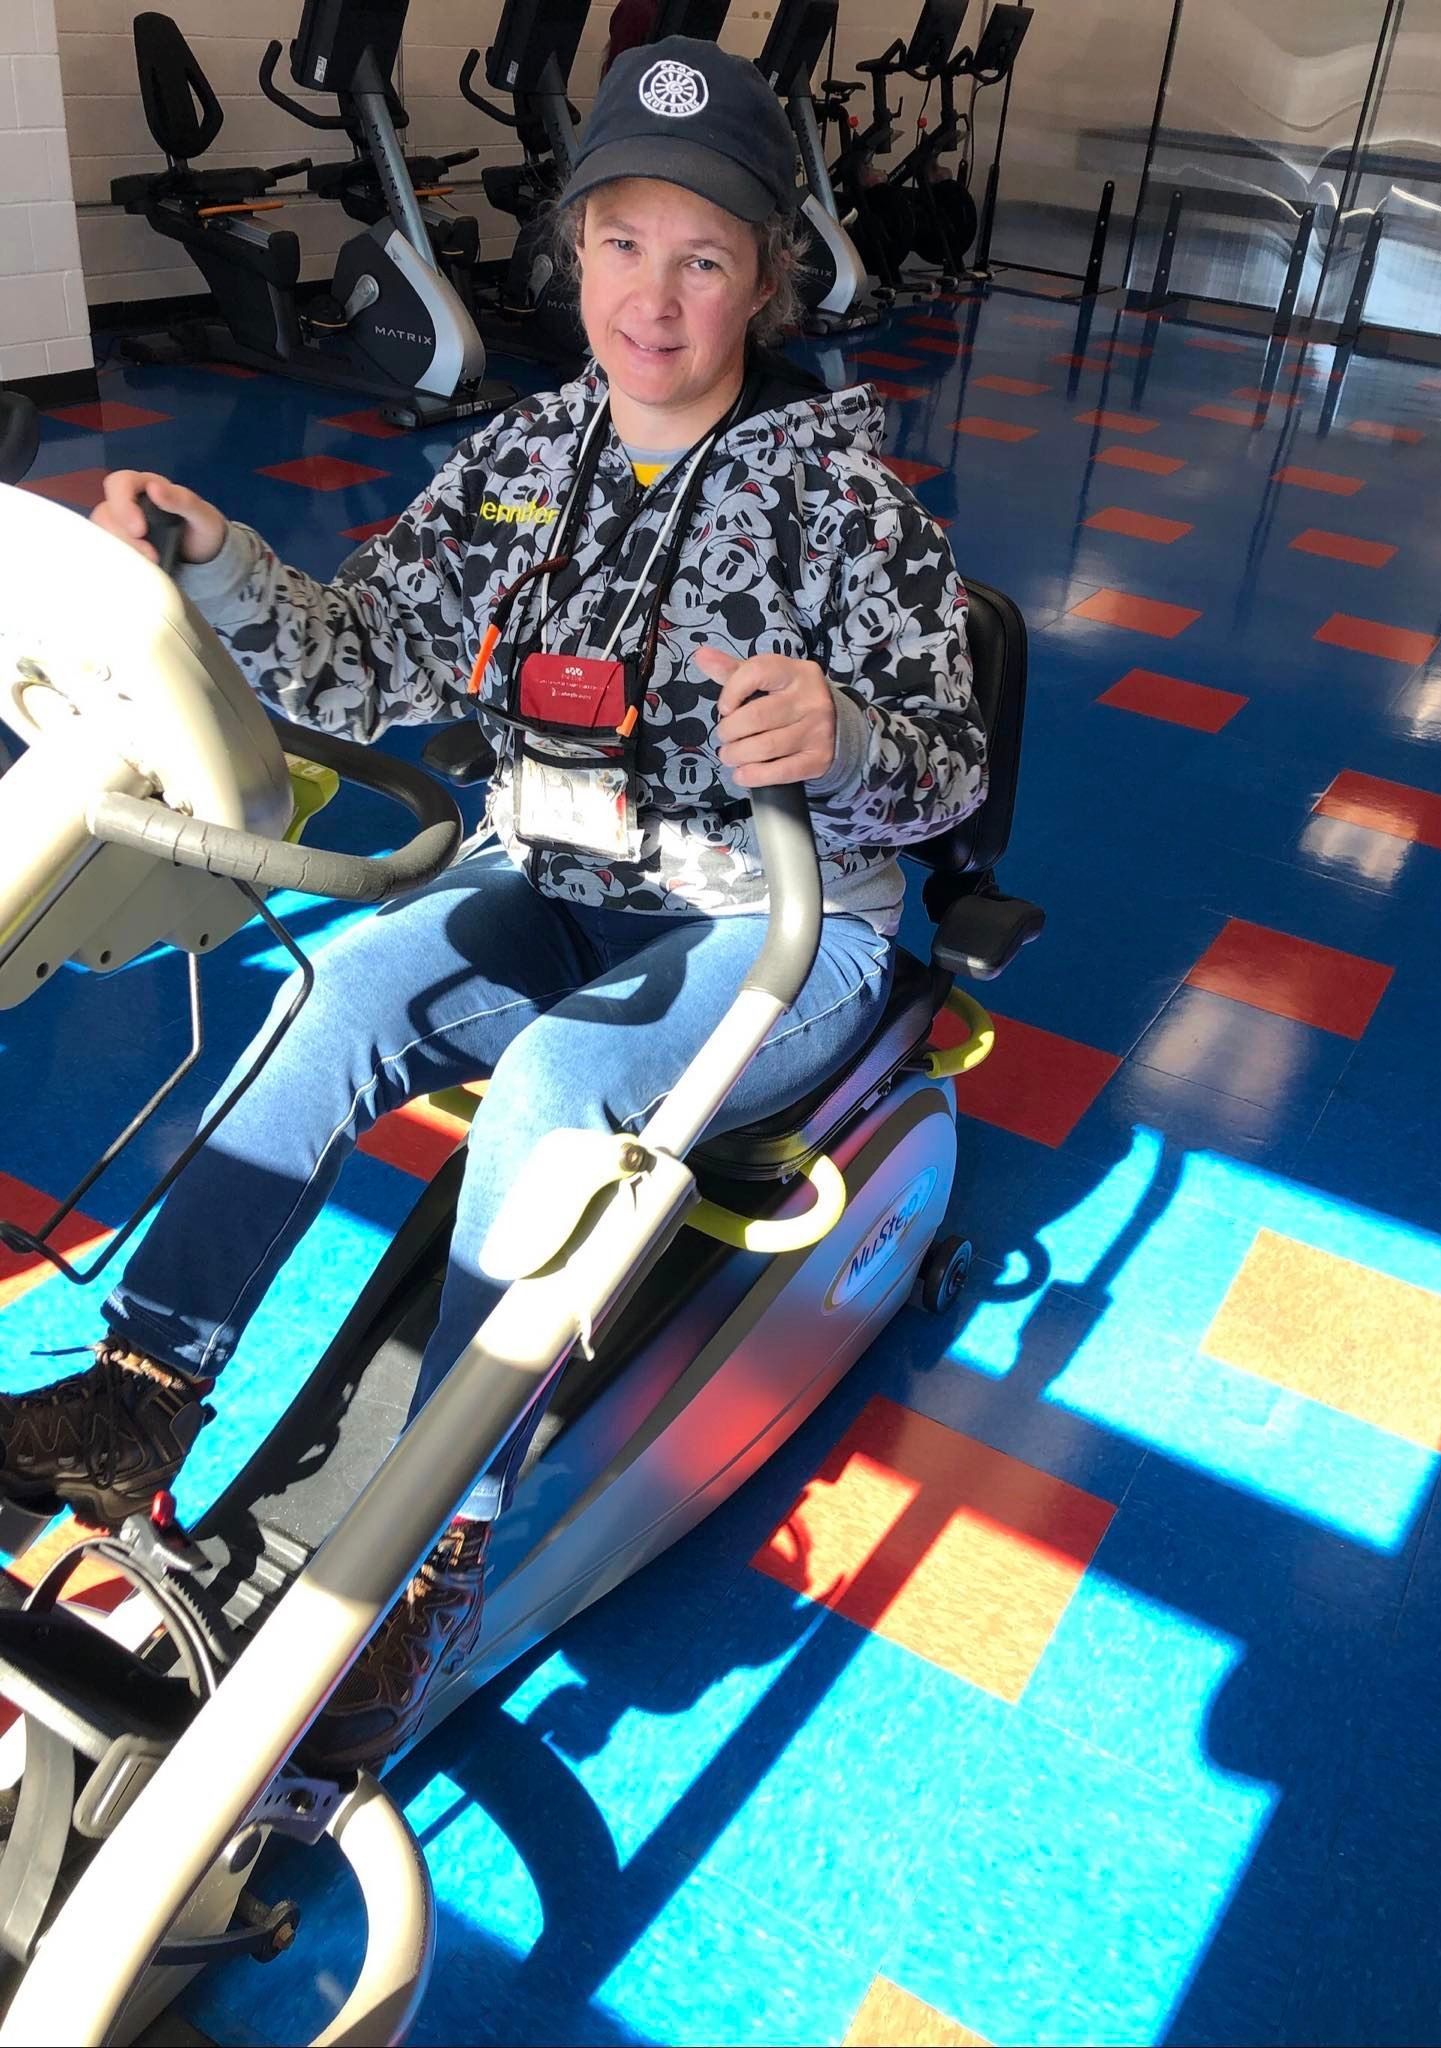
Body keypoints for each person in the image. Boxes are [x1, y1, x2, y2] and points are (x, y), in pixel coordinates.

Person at [0, 38, 985, 1767]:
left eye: (702, 258)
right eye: (622, 246)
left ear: (762, 272)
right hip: (550, 874)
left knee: (550, 1093)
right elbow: (356, 657)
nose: (654, 301)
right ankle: (140, 1397)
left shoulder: (844, 501)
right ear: (574, 249)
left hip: (775, 922)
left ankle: (435, 1557)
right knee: (337, 993)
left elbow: (948, 776)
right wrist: (219, 560)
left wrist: (845, 735)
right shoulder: (522, 457)